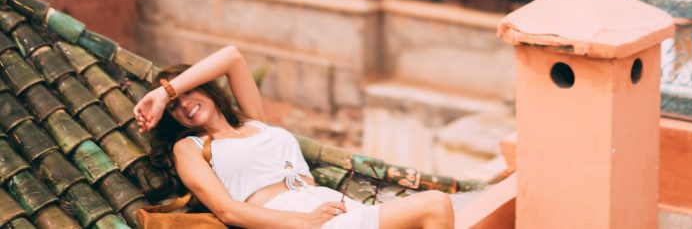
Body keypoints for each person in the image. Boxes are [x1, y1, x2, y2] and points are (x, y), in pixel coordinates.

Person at [133, 46, 454, 229]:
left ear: (206, 86)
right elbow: (228, 210)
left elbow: (232, 57)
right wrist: (303, 221)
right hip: (291, 221)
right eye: (175, 106)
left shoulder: (254, 122)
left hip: (334, 209)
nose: (185, 105)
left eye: (188, 92)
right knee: (435, 204)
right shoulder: (189, 148)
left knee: (434, 210)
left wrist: (165, 92)